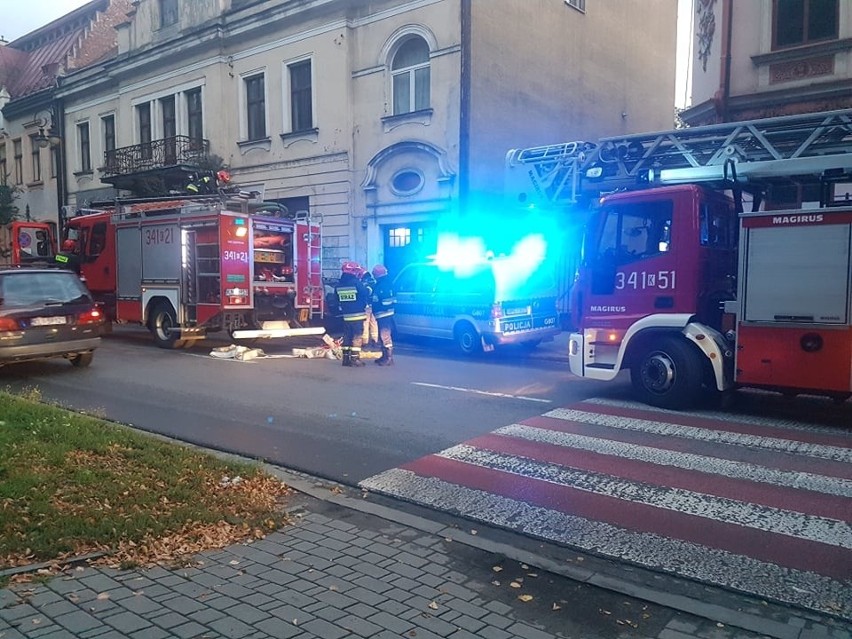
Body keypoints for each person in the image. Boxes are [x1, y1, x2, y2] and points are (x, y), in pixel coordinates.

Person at [334, 261, 370, 367]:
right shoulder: (356, 283)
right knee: (357, 337)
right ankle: (355, 359)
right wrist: (369, 287)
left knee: (347, 337)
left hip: (346, 316)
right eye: (355, 270)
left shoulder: (338, 285)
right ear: (352, 271)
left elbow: (336, 300)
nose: (356, 273)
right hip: (358, 315)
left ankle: (346, 359)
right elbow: (365, 294)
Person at [370, 264, 396, 366]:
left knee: (385, 335)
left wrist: (378, 304)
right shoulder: (382, 283)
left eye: (374, 274)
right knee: (382, 336)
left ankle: (389, 358)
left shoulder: (384, 284)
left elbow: (386, 300)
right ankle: (384, 356)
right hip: (381, 313)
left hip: (384, 313)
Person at [360, 269, 379, 349]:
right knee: (374, 323)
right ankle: (375, 341)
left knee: (365, 323)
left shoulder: (364, 283)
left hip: (366, 306)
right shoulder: (374, 282)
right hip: (374, 306)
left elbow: (364, 294)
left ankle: (365, 342)